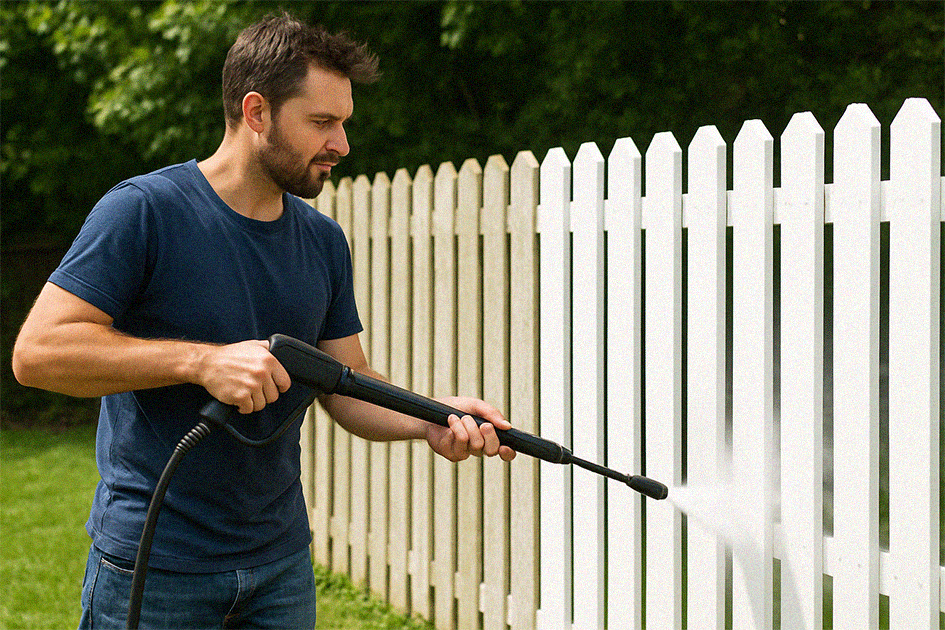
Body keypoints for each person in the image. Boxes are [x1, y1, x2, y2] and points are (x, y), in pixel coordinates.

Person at [12, 12, 515, 630]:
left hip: (279, 566)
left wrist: (432, 417)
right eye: (322, 122)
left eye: (344, 123)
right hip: (156, 564)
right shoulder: (144, 212)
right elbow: (37, 353)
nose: (342, 144)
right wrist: (200, 362)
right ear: (257, 112)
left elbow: (346, 383)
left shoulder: (323, 241)